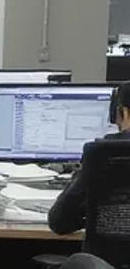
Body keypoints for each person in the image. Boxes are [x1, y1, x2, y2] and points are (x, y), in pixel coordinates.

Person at [47, 82, 130, 235]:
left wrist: (92, 219)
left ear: (120, 113)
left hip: (105, 257)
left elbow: (59, 221)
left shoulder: (103, 152)